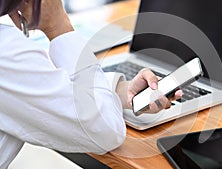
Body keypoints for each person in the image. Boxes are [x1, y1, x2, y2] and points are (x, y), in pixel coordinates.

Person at [0, 0, 182, 168]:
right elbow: (104, 130)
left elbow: (34, 90)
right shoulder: (6, 51)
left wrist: (117, 92)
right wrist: (58, 25)